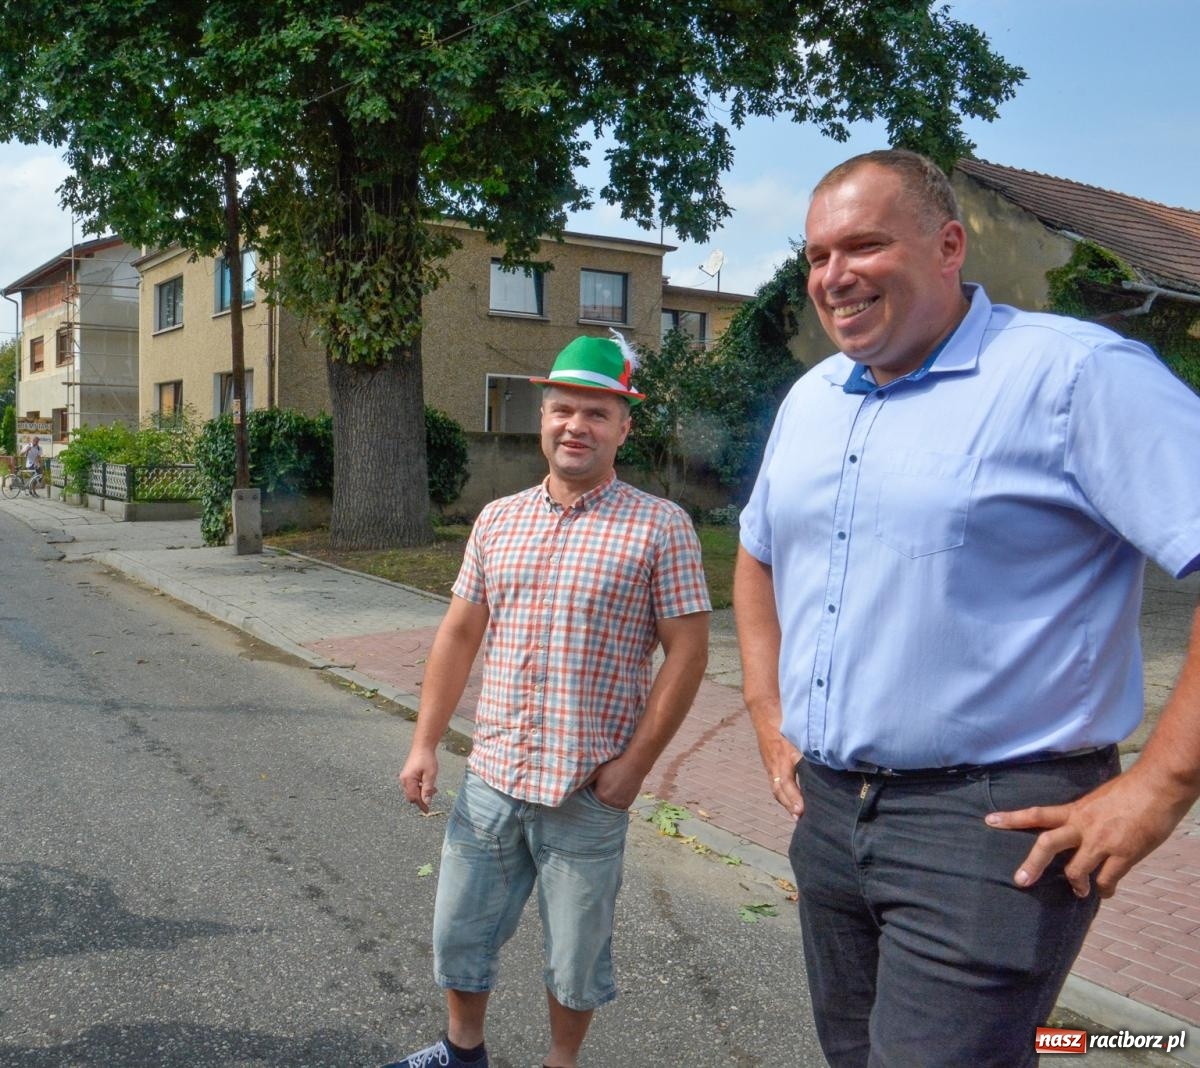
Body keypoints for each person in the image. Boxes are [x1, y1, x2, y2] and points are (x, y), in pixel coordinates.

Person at [735, 149, 1200, 1067]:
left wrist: (1161, 788)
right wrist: (764, 708)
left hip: (990, 830)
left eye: (863, 246)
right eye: (817, 256)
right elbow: (757, 552)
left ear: (949, 246)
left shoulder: (1075, 375)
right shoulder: (813, 398)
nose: (834, 277)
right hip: (829, 816)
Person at [387, 335, 711, 1068]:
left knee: (575, 958)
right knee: (459, 934)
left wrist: (635, 767)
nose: (576, 426)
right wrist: (424, 742)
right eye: (563, 409)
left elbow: (689, 652)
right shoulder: (498, 519)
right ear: (543, 416)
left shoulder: (660, 527)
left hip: (587, 787)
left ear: (624, 425)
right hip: (494, 776)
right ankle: (462, 1052)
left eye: (595, 413)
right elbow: (459, 634)